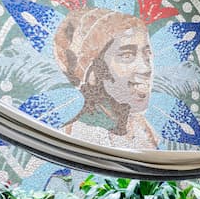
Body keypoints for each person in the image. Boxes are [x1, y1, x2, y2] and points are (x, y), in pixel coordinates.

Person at [52, 8, 159, 149]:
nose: (146, 68)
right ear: (92, 73)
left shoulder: (144, 132)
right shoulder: (71, 140)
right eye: (127, 56)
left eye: (147, 54)